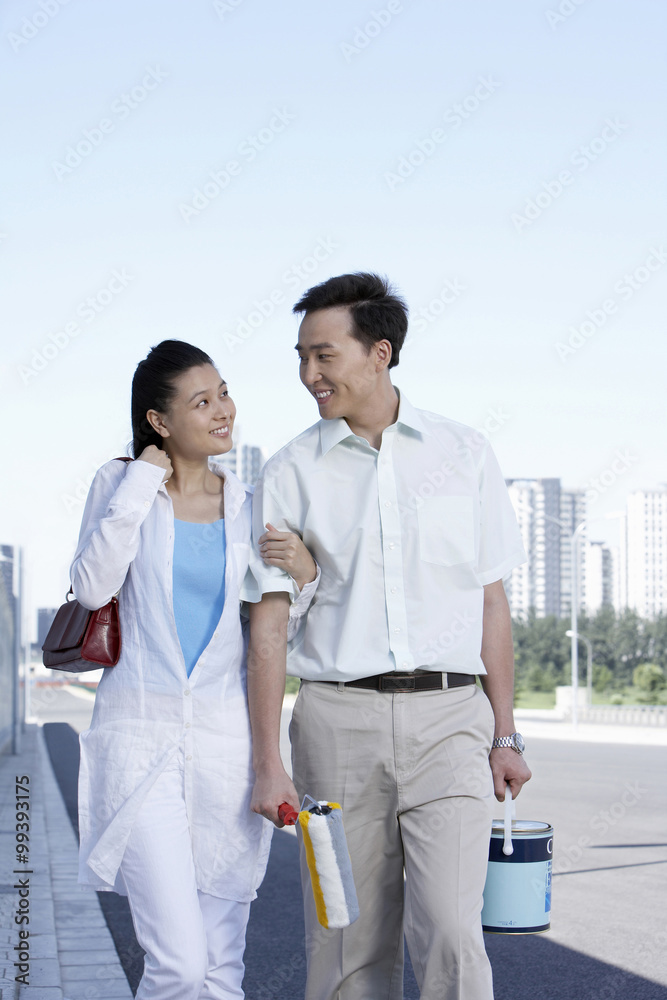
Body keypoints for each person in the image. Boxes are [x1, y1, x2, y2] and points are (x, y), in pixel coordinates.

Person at [244, 273, 532, 1000]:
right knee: (342, 936)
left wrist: (505, 733)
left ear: (379, 352)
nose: (309, 375)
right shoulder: (287, 472)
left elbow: (490, 604)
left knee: (454, 934)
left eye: (324, 355)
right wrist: (267, 761)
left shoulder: (462, 454)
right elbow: (269, 628)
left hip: (449, 724)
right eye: (301, 357)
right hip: (334, 729)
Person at [71, 340, 318, 1000]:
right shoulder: (120, 485)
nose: (223, 411)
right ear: (159, 420)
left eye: (224, 394)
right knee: (178, 965)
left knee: (219, 967)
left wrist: (306, 571)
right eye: (201, 401)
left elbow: (279, 623)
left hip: (224, 752)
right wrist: (142, 484)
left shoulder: (250, 503)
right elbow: (93, 588)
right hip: (140, 743)